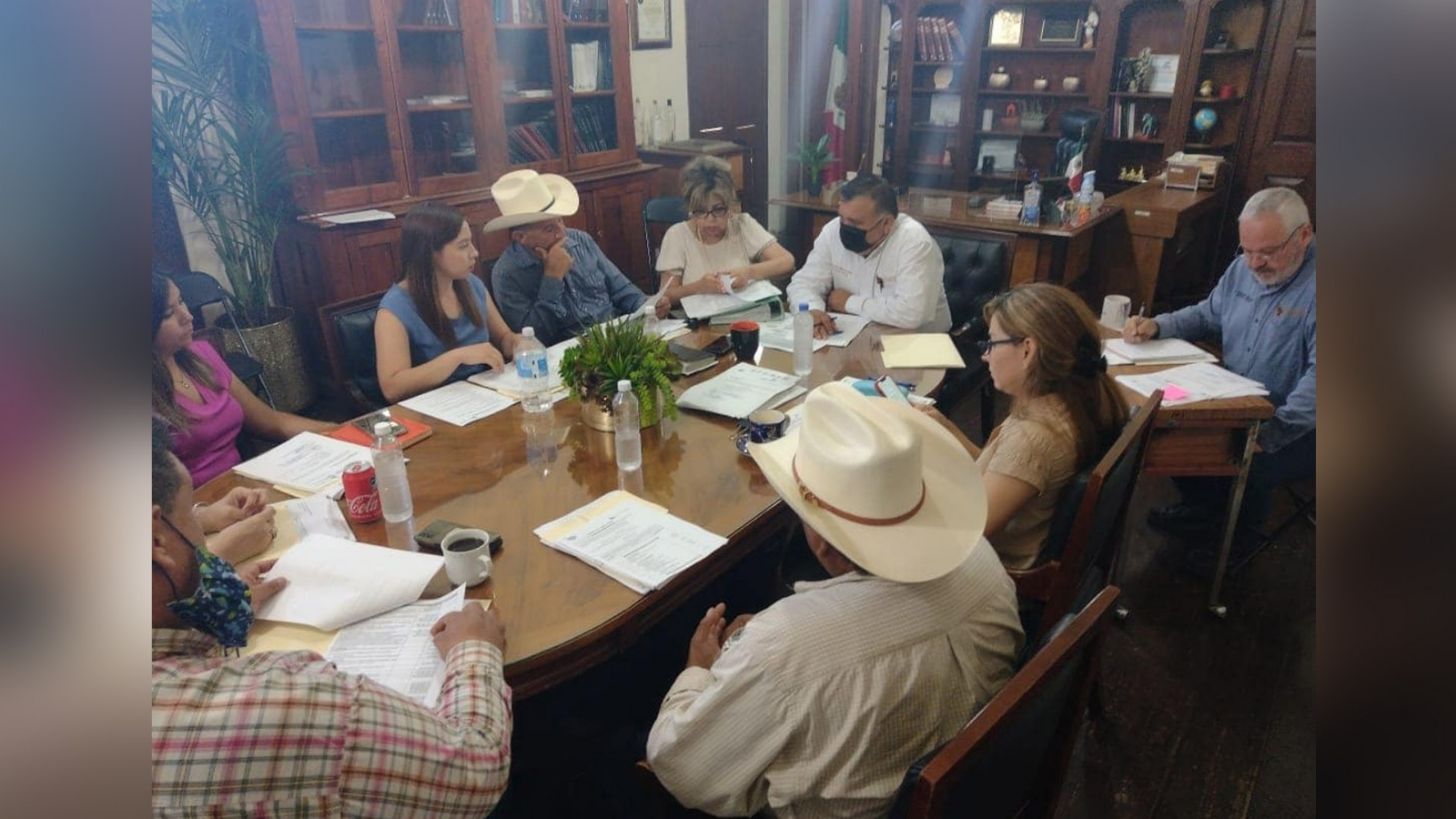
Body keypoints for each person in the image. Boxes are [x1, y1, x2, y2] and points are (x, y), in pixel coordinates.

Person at [646, 382, 1022, 818]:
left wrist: (699, 670)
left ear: (823, 544)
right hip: (978, 789)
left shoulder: (782, 648)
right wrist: (760, 650)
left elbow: (681, 769)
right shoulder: (981, 559)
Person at [151, 417, 513, 816]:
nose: (205, 542)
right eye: (193, 520)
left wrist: (214, 612)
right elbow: (475, 769)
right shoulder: (294, 704)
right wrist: (474, 651)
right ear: (156, 540)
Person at [1122, 186, 1315, 571]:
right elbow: (1208, 315)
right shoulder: (1242, 268)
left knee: (1245, 457)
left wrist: (1270, 434)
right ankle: (1205, 509)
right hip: (1238, 395)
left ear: (1304, 235)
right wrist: (1158, 325)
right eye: (1247, 250)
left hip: (1302, 424)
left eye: (1268, 252)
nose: (1255, 264)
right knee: (1169, 427)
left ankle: (1239, 540)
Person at [976, 283, 1129, 570]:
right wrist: (942, 429)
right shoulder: (1073, 399)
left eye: (992, 343)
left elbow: (964, 533)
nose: (985, 355)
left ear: (1027, 350)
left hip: (995, 573)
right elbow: (1010, 471)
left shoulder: (1033, 438)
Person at [152, 273, 333, 486]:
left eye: (182, 301)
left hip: (246, 487)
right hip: (196, 502)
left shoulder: (202, 355)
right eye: (169, 313)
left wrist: (341, 432)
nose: (187, 316)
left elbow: (274, 422)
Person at [487, 169, 658, 345]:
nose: (562, 233)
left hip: (618, 334)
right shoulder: (506, 273)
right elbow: (532, 340)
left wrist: (648, 305)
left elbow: (621, 290)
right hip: (569, 350)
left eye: (560, 221)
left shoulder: (580, 239)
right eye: (549, 229)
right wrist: (552, 278)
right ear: (521, 237)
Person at [375, 201, 521, 402]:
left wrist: (517, 343)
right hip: (440, 405)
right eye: (463, 246)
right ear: (430, 253)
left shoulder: (471, 284)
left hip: (487, 393)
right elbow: (392, 387)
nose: (474, 253)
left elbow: (503, 336)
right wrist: (458, 357)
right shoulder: (395, 308)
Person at [785, 174, 952, 339]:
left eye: (855, 223)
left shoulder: (914, 242)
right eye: (842, 218)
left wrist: (848, 302)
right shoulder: (832, 231)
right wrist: (812, 311)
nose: (845, 227)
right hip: (855, 339)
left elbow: (912, 313)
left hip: (918, 344)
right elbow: (804, 283)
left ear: (886, 223)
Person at [652, 156, 794, 308]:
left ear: (730, 206)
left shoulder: (742, 224)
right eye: (700, 211)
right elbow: (665, 296)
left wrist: (748, 273)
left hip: (745, 313)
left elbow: (787, 262)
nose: (710, 220)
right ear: (690, 209)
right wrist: (699, 287)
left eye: (718, 210)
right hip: (699, 320)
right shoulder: (677, 235)